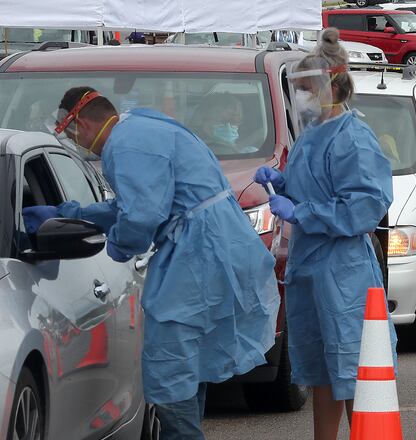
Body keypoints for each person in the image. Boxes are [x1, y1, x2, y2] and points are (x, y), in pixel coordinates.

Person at [22, 87, 280, 440]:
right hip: (215, 247)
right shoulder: (141, 127)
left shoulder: (126, 145)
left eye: (71, 132)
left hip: (198, 256)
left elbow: (141, 217)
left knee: (170, 369)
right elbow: (136, 205)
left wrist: (117, 247)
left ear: (81, 122)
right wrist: (78, 215)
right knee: (191, 366)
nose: (75, 141)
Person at [253, 28, 396, 440]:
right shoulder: (312, 137)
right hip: (311, 267)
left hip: (343, 272)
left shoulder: (354, 138)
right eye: (297, 89)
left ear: (331, 84)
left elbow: (365, 207)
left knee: (353, 367)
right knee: (320, 369)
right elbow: (312, 187)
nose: (302, 98)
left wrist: (303, 211)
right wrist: (282, 183)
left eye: (307, 88)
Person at [190, 93, 255, 154]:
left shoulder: (251, 153)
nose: (229, 127)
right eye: (223, 121)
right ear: (205, 123)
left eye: (234, 122)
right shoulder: (192, 149)